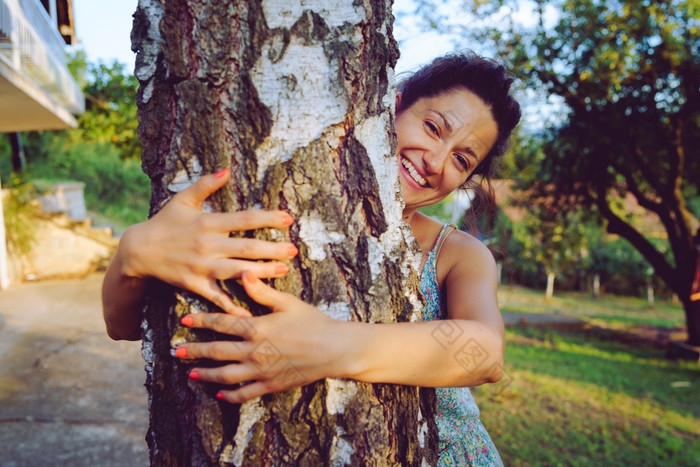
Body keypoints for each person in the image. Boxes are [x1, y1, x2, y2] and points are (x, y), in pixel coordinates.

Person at [103, 51, 521, 466]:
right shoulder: (299, 207)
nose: (435, 160)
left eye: (462, 160)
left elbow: (483, 355)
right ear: (392, 105)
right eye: (433, 127)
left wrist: (327, 346)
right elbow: (124, 327)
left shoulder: (457, 252)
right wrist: (132, 255)